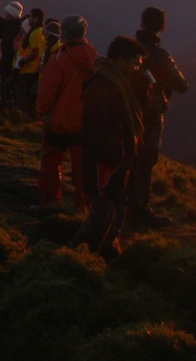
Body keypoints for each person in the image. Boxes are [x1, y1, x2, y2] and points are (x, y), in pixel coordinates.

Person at [70, 36, 147, 261]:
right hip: (103, 166)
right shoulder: (105, 87)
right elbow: (99, 132)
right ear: (121, 60)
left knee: (113, 213)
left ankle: (105, 254)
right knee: (101, 215)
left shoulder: (115, 82)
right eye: (134, 63)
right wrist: (117, 163)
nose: (136, 69)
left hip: (112, 164)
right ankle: (74, 258)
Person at [131, 6, 190, 229]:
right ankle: (138, 209)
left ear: (142, 22)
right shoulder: (160, 55)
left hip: (127, 109)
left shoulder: (128, 49)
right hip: (151, 114)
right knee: (146, 159)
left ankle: (124, 201)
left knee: (129, 156)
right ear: (162, 27)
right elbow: (181, 85)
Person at [35, 15, 96, 212]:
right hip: (85, 124)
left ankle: (50, 202)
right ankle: (82, 207)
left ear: (64, 34)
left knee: (51, 163)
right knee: (83, 168)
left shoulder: (59, 59)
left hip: (59, 122)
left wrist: (42, 112)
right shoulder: (94, 59)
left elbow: (47, 91)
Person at [12, 8, 46, 117]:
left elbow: (35, 52)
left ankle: (23, 117)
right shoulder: (36, 31)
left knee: (22, 94)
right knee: (25, 94)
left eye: (31, 16)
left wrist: (23, 61)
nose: (29, 18)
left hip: (28, 69)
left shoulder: (35, 33)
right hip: (27, 68)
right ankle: (24, 116)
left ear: (36, 18)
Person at [0, 2, 25, 109]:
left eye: (7, 12)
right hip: (7, 57)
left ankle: (7, 105)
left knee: (7, 82)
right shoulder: (13, 25)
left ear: (12, 14)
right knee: (5, 81)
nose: (5, 14)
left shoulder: (16, 28)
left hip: (10, 58)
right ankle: (5, 104)